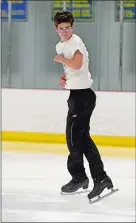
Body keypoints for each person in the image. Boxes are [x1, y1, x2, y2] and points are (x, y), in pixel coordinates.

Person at [53, 11, 114, 200]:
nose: (65, 31)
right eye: (61, 28)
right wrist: (64, 78)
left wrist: (61, 60)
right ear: (56, 28)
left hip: (83, 98)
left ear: (73, 27)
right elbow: (74, 70)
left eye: (68, 28)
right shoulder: (62, 44)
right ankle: (88, 177)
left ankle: (90, 177)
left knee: (77, 139)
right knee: (77, 139)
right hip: (77, 95)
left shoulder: (74, 42)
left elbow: (78, 64)